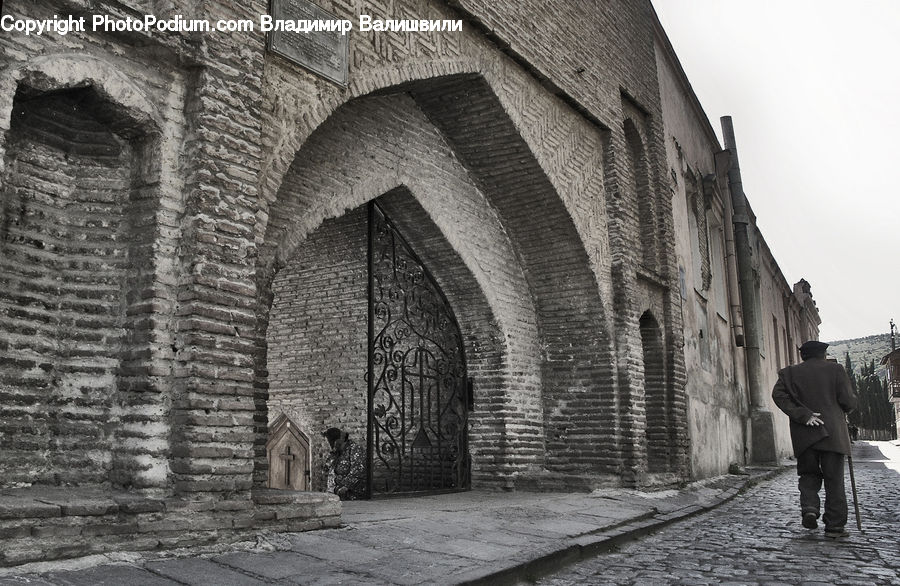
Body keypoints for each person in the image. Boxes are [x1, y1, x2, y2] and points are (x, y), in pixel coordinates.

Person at [772, 340, 858, 538]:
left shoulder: (788, 373)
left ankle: (810, 508)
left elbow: (778, 396)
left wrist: (804, 414)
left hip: (805, 434)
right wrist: (850, 404)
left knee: (808, 474)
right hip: (833, 433)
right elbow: (847, 400)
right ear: (823, 354)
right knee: (834, 480)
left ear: (803, 355)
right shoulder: (836, 370)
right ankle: (835, 526)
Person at [321, 427, 366, 500]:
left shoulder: (355, 449)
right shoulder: (335, 452)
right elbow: (326, 469)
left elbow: (358, 471)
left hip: (351, 496)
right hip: (334, 494)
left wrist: (345, 487)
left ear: (338, 441)